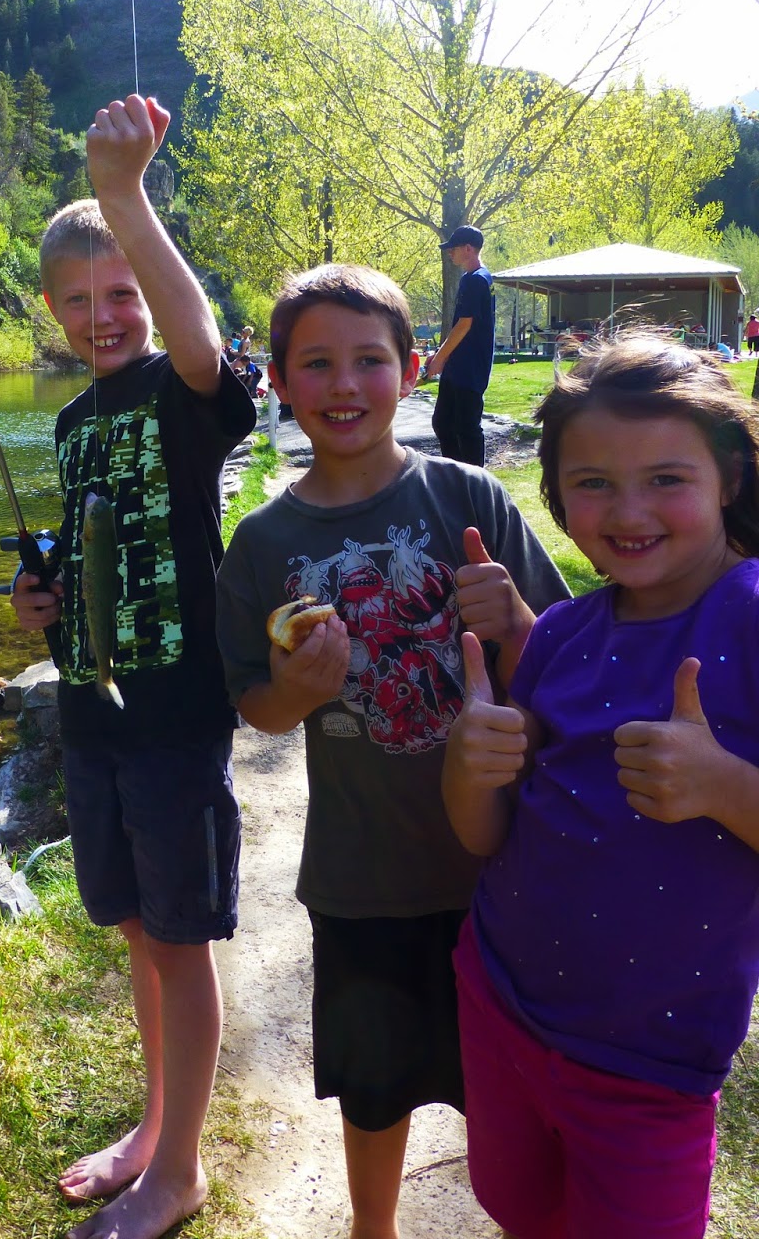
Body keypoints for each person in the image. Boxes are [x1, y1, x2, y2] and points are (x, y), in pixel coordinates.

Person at [214, 263, 569, 1239]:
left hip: (498, 870)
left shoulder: (468, 499)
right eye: (315, 363)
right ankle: (375, 1229)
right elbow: (258, 707)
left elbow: (565, 667)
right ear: (277, 381)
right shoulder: (260, 541)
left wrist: (517, 618)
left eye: (369, 360)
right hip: (359, 877)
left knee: (506, 1086)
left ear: (411, 369)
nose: (342, 385)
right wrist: (296, 687)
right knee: (374, 1090)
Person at [442, 332, 759, 1239]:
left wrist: (725, 784)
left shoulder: (751, 611)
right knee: (519, 1210)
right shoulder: (558, 636)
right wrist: (468, 768)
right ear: (556, 495)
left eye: (667, 478)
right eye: (593, 483)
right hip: (499, 1005)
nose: (630, 510)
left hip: (651, 1064)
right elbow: (483, 834)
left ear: (729, 478)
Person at [10, 93, 256, 1239]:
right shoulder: (69, 424)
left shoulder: (182, 393)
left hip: (174, 713)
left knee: (182, 935)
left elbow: (201, 344)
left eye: (123, 295)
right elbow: (82, 541)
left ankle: (183, 1168)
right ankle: (155, 1127)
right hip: (91, 706)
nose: (105, 316)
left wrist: (125, 198)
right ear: (54, 311)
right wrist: (40, 597)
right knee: (132, 928)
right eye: (81, 300)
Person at [424, 225, 494, 467]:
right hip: (460, 364)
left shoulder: (476, 280)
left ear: (468, 248)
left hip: (470, 367)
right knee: (443, 422)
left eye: (453, 248)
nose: (449, 253)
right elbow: (461, 325)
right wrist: (442, 353)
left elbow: (465, 324)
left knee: (466, 427)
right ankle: (456, 474)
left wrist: (440, 358)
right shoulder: (474, 278)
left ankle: (474, 481)